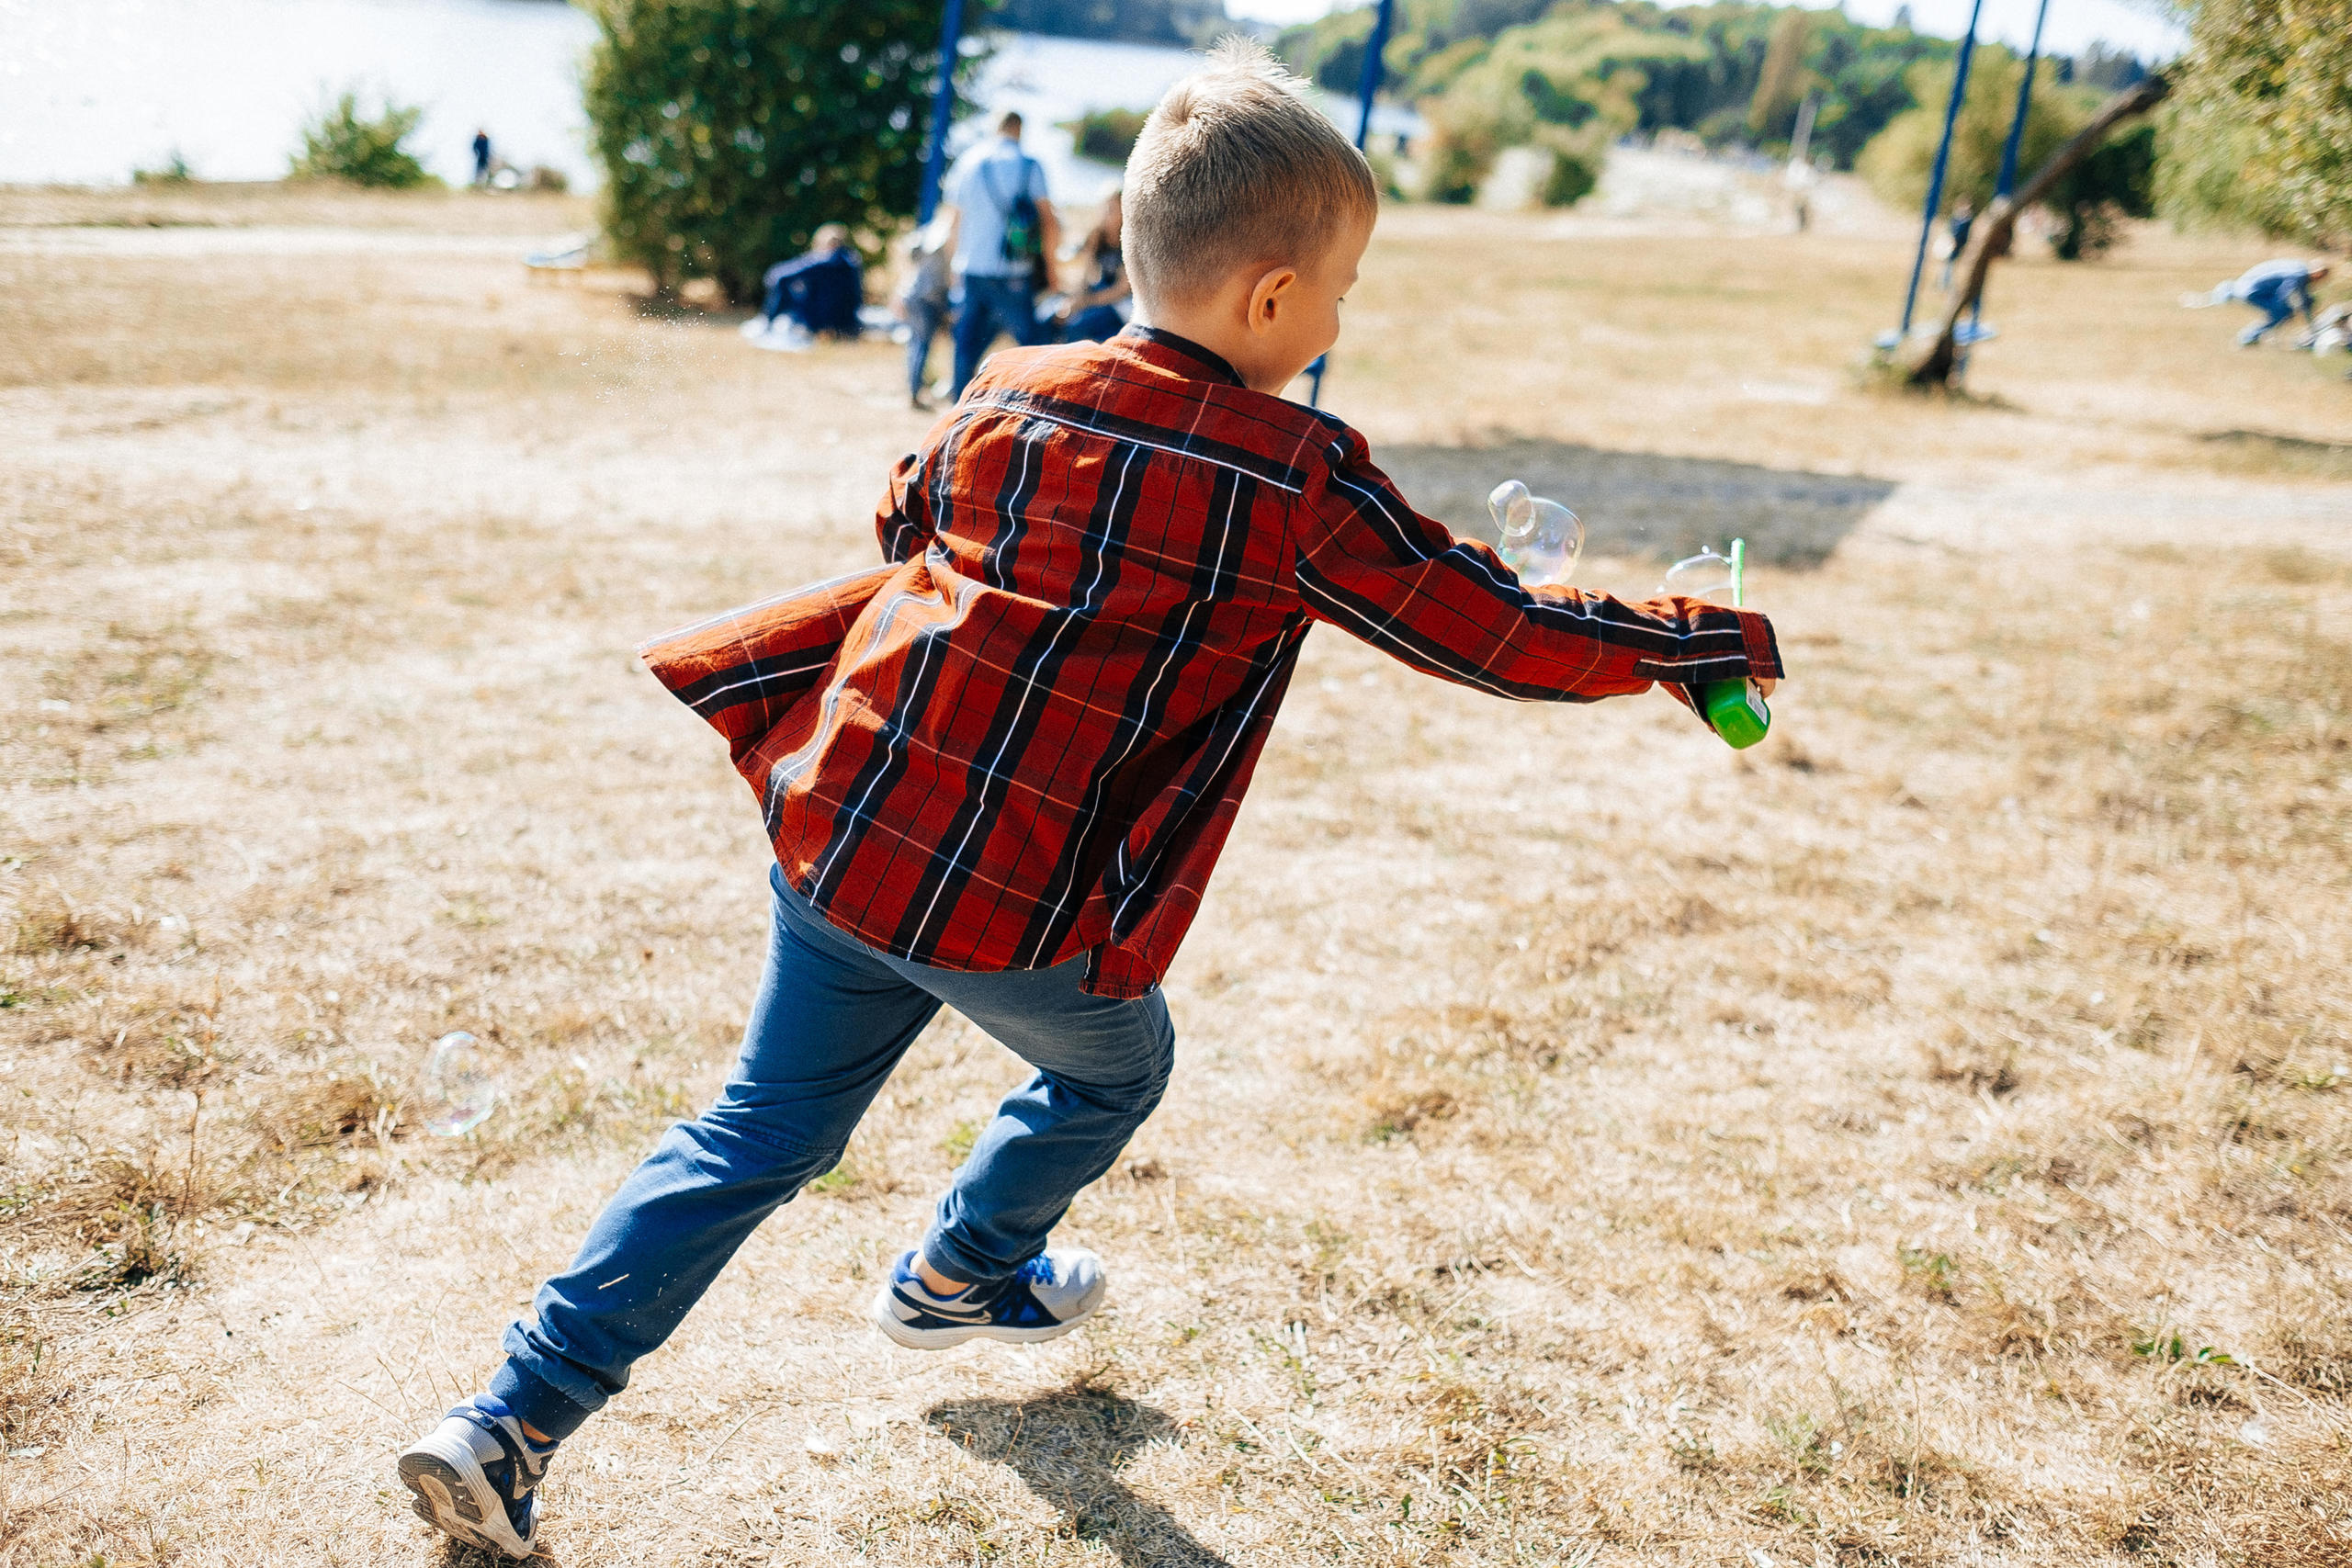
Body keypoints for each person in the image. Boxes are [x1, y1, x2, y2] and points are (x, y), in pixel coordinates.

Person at [394, 39, 1783, 1561]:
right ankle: (960, 1267)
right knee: (1117, 1070)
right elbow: (1488, 625)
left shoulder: (1008, 390)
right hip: (1014, 906)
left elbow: (902, 512)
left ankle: (508, 1418)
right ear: (1271, 299)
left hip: (850, 833)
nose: (1336, 322)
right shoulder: (1290, 477)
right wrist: (1687, 637)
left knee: (753, 1129)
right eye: (1342, 291)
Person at [944, 111, 1059, 400]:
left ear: (995, 127)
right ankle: (1036, 401)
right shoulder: (1029, 164)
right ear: (1019, 128)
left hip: (971, 267)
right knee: (1030, 342)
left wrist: (952, 267)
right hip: (1013, 269)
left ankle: (959, 404)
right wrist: (1052, 270)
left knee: (966, 343)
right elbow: (1047, 221)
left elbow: (953, 221)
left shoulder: (968, 162)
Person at [742, 224, 863, 351]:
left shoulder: (820, 261)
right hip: (849, 320)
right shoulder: (852, 260)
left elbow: (777, 276)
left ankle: (767, 321)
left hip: (819, 319)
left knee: (790, 289)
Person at [1056, 186, 1132, 343]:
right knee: (1050, 316)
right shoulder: (1097, 236)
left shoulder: (1130, 242)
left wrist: (1084, 302)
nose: (1105, 214)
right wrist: (1074, 300)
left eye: (1111, 209)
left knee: (1077, 325)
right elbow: (1085, 276)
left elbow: (1121, 290)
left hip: (1120, 304)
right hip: (1099, 293)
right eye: (1103, 208)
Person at [896, 214, 954, 408]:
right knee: (921, 343)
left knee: (918, 343)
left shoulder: (928, 232)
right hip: (926, 297)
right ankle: (914, 392)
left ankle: (916, 390)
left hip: (917, 294)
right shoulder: (943, 233)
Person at [2218, 257, 2332, 347]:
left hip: (2243, 284)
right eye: (2320, 278)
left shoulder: (2299, 267)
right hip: (2251, 292)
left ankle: (2264, 336)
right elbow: (2285, 294)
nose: (2318, 282)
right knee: (2281, 313)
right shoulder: (2299, 276)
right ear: (2317, 274)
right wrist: (2309, 323)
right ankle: (2247, 338)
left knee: (2285, 311)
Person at [1939, 197, 1974, 289]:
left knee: (1950, 263)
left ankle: (1944, 282)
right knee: (1949, 263)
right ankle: (1943, 283)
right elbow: (1952, 230)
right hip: (1953, 243)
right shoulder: (1957, 218)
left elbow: (1964, 233)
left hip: (1959, 244)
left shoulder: (1966, 219)